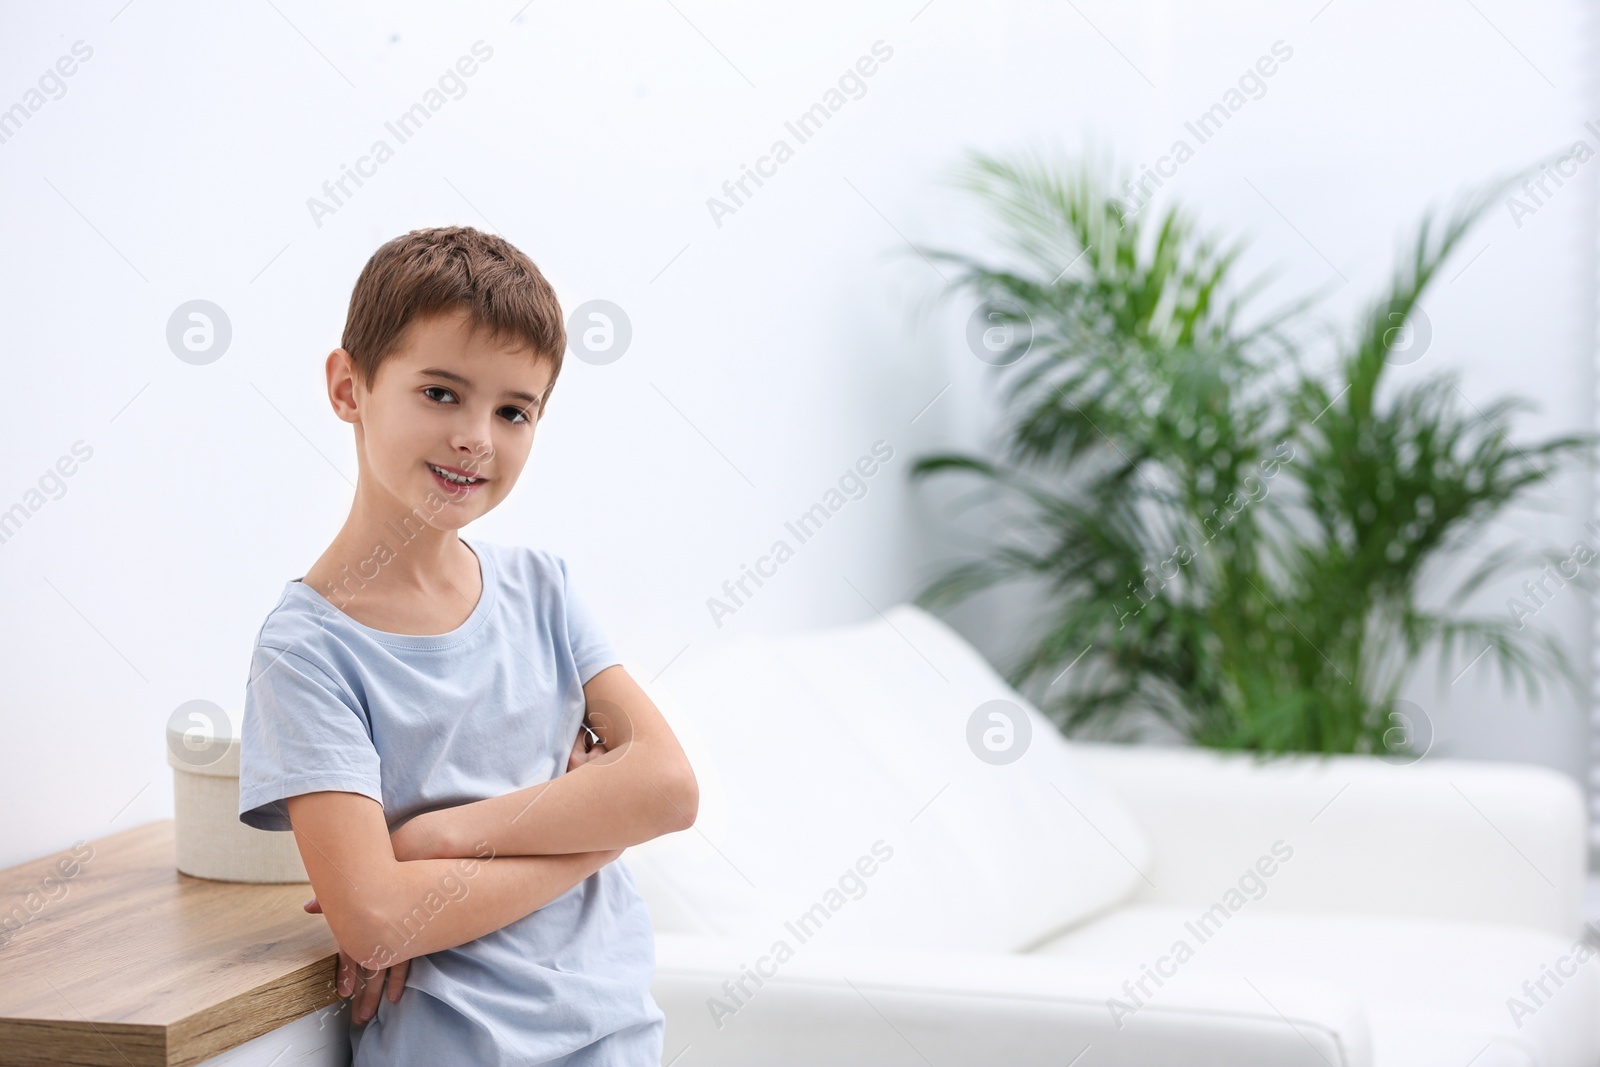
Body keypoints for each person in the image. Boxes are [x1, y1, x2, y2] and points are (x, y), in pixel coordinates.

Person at [236, 226, 696, 1065]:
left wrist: (439, 841)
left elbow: (668, 787)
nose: (477, 437)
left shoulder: (543, 591)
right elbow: (376, 920)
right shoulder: (306, 652)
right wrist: (598, 833)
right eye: (442, 393)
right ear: (349, 386)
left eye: (513, 410)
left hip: (619, 1036)